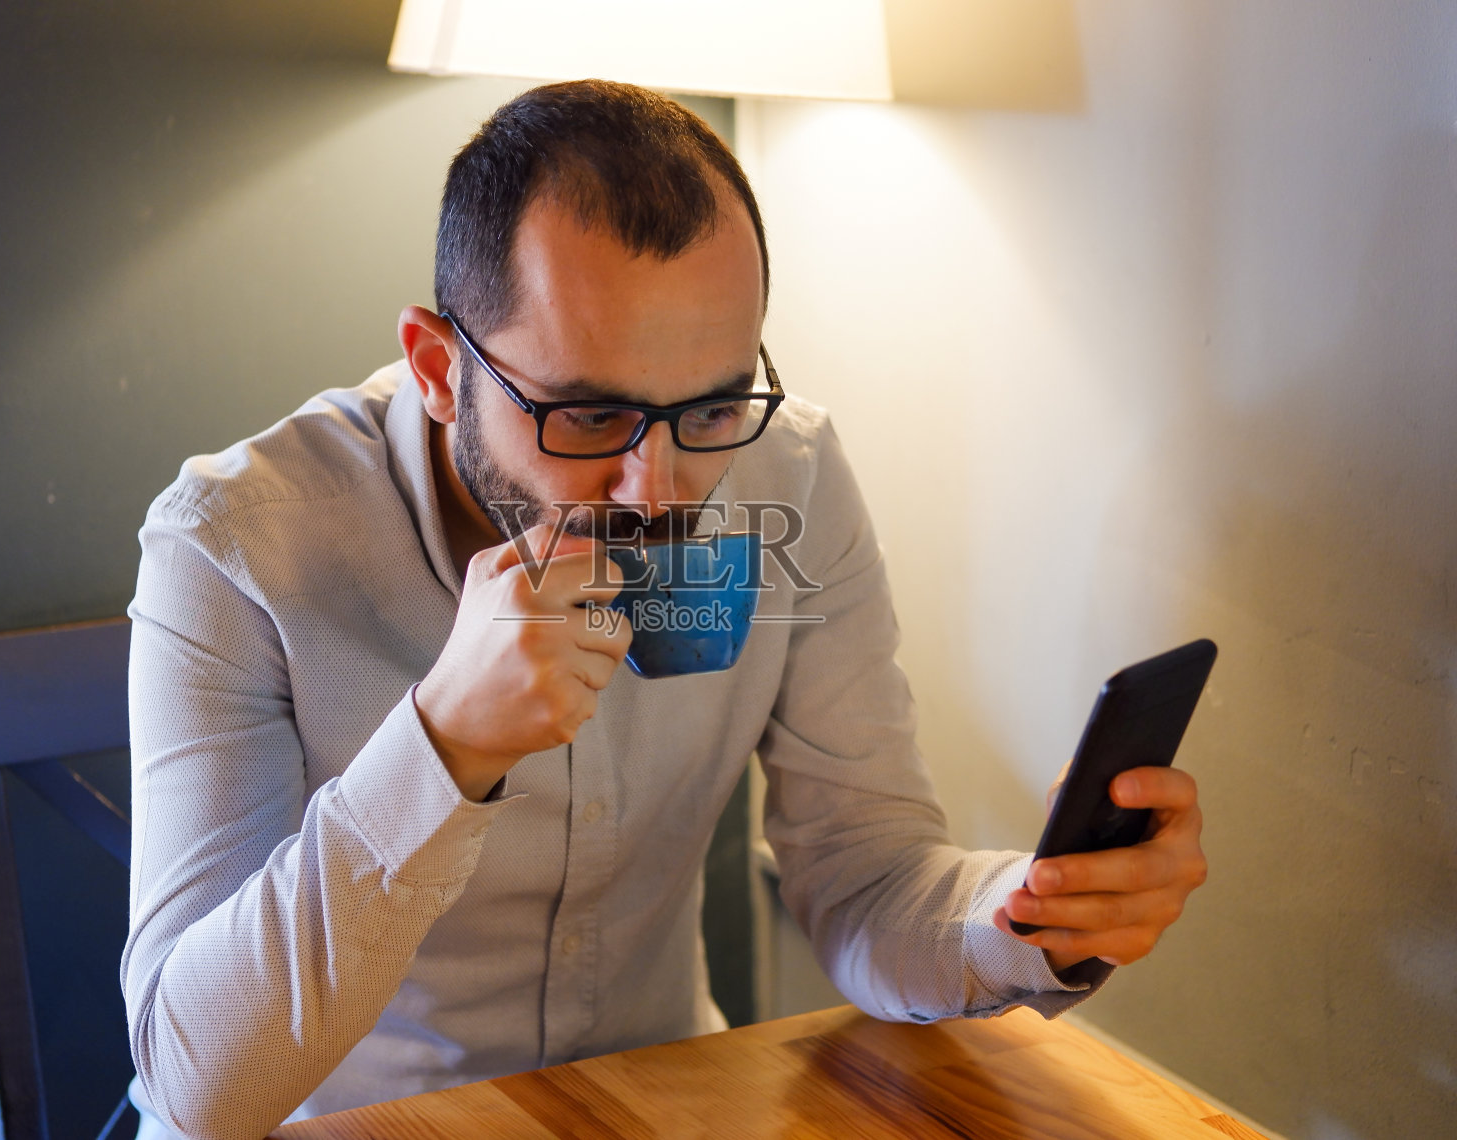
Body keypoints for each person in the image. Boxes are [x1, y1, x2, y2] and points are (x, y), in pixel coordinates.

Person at [122, 80, 1208, 1140]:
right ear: (440, 368)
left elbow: (866, 877)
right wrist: (443, 746)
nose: (662, 487)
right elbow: (197, 1088)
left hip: (662, 1102)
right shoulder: (234, 546)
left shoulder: (792, 475)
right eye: (591, 415)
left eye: (715, 405)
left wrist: (1031, 909)